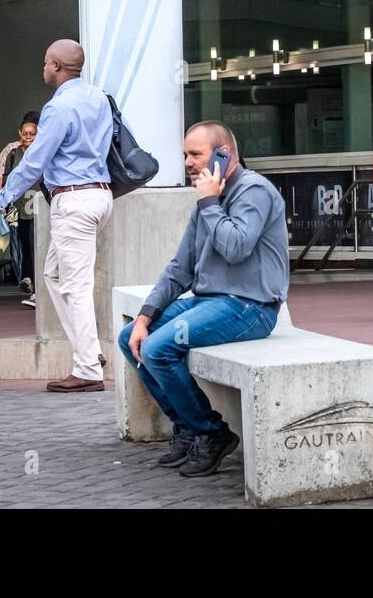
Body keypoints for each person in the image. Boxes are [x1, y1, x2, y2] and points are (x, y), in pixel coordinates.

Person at [118, 122, 289, 478]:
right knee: (130, 337)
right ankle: (188, 426)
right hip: (211, 302)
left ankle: (212, 433)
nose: (187, 162)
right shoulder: (206, 199)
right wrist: (146, 317)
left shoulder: (254, 191)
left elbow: (236, 247)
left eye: (196, 154)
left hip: (250, 308)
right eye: (185, 155)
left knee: (158, 349)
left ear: (225, 153)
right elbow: (180, 268)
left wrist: (209, 201)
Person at [0, 39, 114, 393]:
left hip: (74, 200)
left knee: (76, 287)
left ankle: (87, 368)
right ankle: (90, 352)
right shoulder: (100, 98)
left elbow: (34, 163)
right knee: (53, 274)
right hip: (99, 195)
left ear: (56, 65)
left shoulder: (57, 109)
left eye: (44, 63)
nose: (43, 68)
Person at [0, 111, 40, 306]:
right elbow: (1, 175)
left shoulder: (42, 151)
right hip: (15, 206)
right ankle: (25, 277)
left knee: (34, 242)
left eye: (32, 133)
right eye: (25, 133)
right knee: (17, 239)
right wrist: (2, 200)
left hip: (36, 204)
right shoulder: (12, 151)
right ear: (19, 132)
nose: (27, 137)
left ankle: (34, 282)